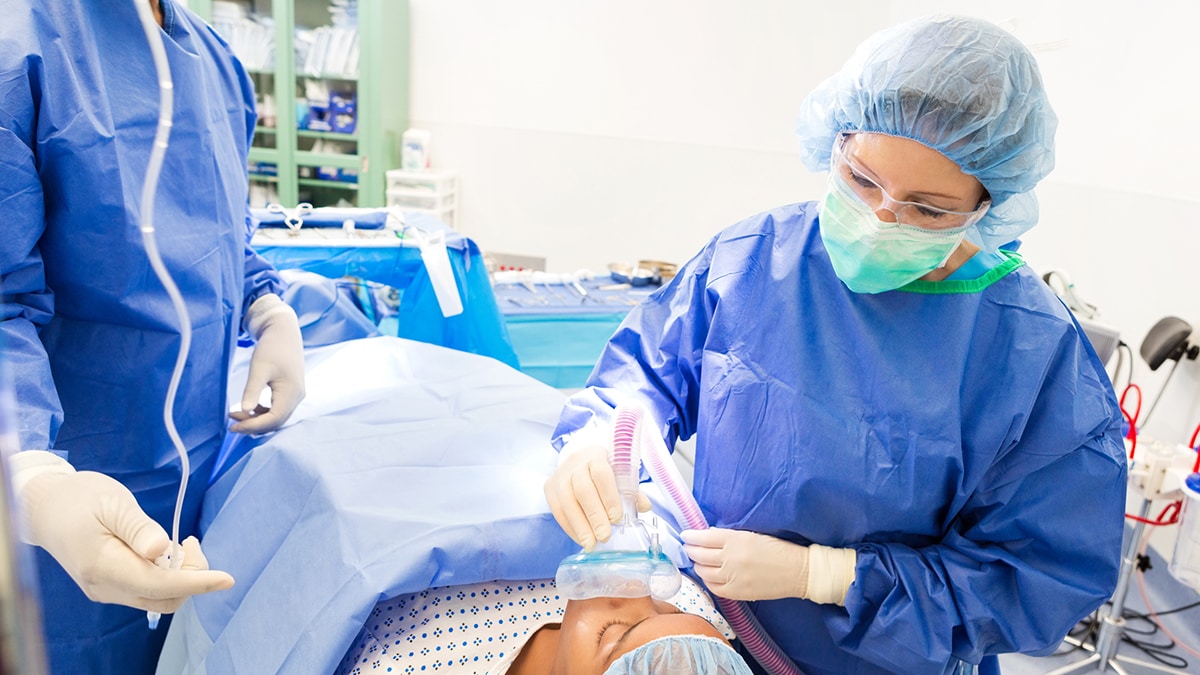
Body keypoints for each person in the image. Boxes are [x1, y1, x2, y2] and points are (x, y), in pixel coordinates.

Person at [544, 15, 1128, 675]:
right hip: (716, 643)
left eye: (927, 209)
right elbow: (647, 372)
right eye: (860, 179)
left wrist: (825, 574)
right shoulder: (756, 260)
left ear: (988, 201)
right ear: (837, 138)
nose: (881, 218)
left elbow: (1035, 577)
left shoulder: (1034, 357)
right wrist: (596, 440)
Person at [0, 0, 305, 673]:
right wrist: (36, 482)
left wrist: (268, 309)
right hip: (61, 507)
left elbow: (226, 225)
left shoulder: (215, 62)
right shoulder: (19, 50)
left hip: (193, 486)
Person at [336, 575, 753, 674]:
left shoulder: (407, 661)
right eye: (673, 610)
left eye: (611, 634)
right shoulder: (705, 631)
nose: (635, 587)